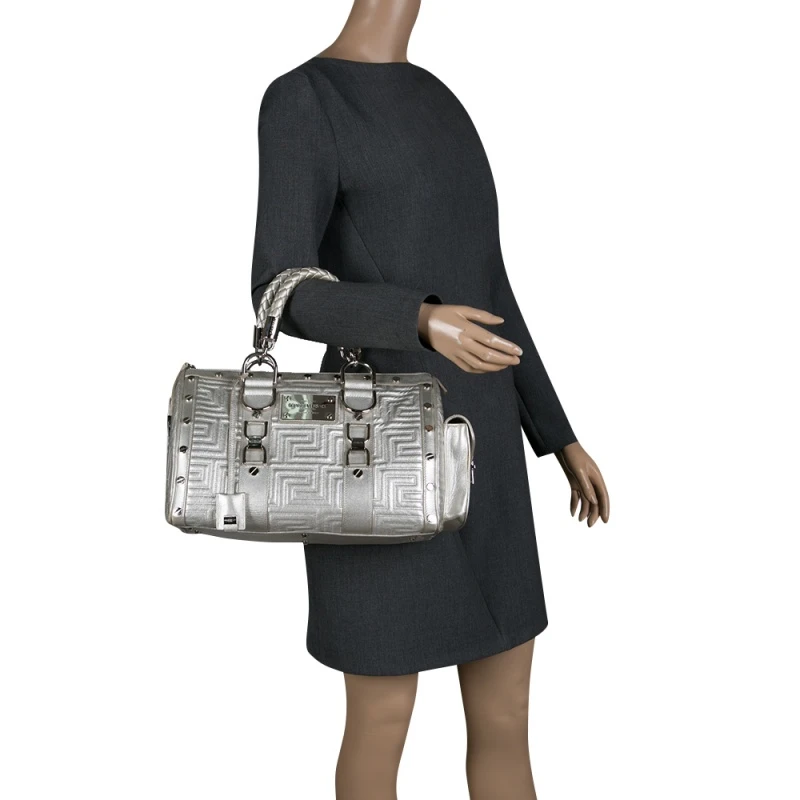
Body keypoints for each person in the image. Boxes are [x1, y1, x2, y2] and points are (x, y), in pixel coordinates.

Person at [250, 2, 610, 798]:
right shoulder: (303, 99)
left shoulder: (441, 100)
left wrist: (558, 436)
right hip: (372, 453)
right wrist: (416, 317)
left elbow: (492, 291)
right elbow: (280, 288)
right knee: (382, 716)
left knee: (508, 713)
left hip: (487, 449)